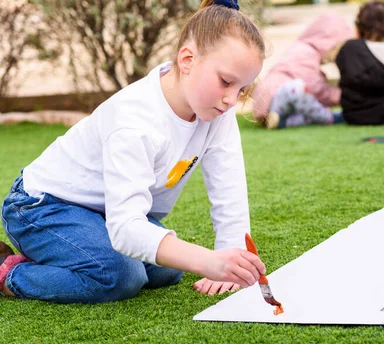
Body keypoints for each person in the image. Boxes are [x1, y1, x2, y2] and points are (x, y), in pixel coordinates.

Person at [0, 0, 267, 303]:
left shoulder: (218, 110)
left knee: (167, 272)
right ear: (188, 59)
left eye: (241, 89)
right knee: (121, 276)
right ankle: (9, 274)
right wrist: (207, 261)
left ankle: (74, 253)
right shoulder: (134, 120)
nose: (232, 99)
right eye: (226, 82)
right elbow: (126, 229)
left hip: (101, 211)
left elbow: (228, 184)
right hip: (42, 206)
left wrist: (230, 255)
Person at [251, 12, 353, 129]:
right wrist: (340, 96)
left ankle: (281, 122)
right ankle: (330, 117)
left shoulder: (305, 50)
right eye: (336, 49)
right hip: (275, 99)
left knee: (308, 112)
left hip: (277, 105)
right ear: (326, 42)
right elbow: (315, 86)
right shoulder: (306, 52)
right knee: (298, 88)